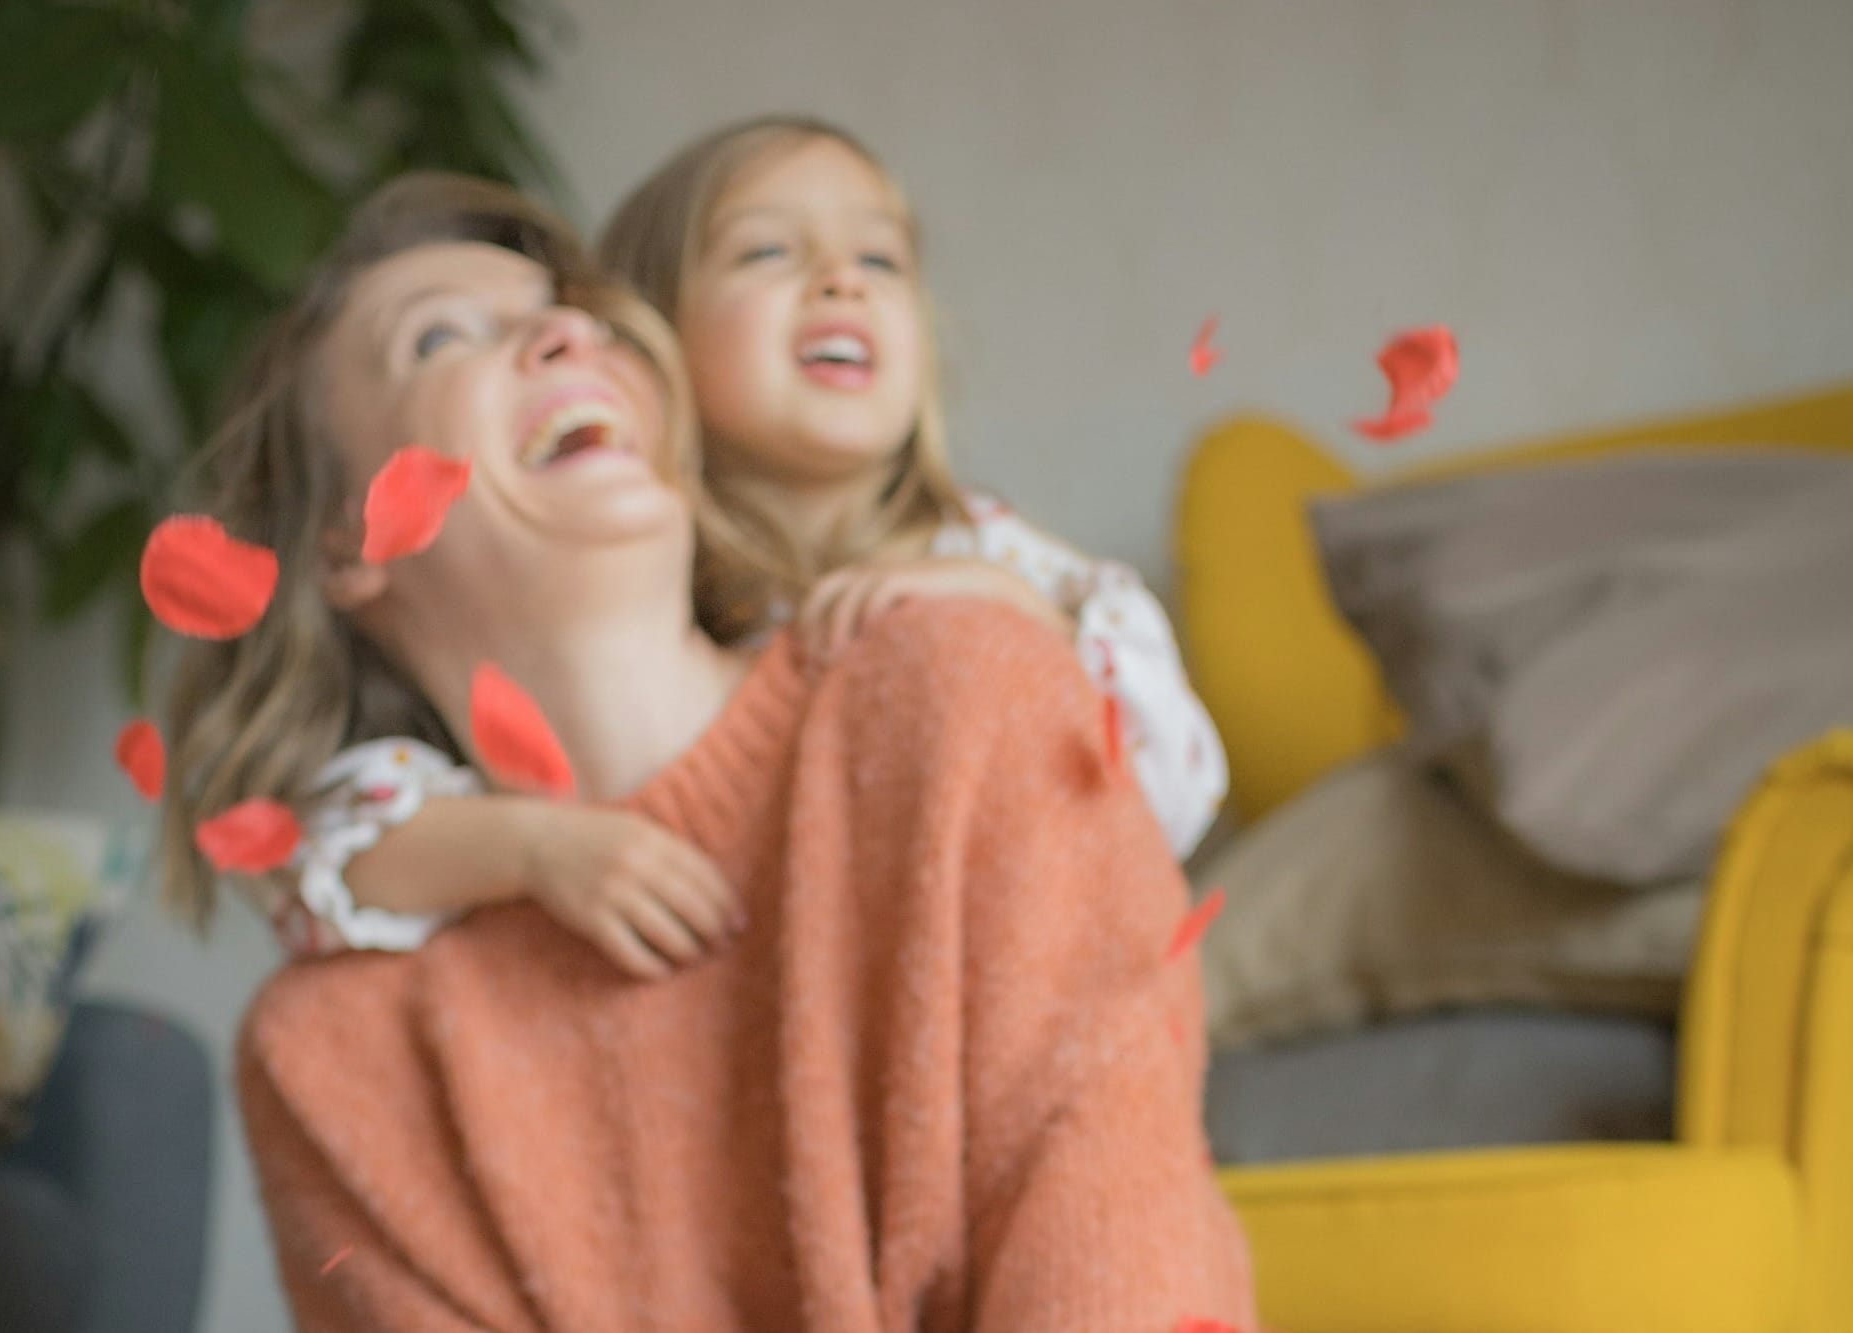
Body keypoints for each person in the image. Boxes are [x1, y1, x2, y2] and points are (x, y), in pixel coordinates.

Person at [163, 171, 1257, 1331]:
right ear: (344, 535)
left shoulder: (966, 686)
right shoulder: (332, 1053)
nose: (561, 329)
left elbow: (1108, 1240)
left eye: (569, 310)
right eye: (441, 335)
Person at [271, 116, 1229, 978]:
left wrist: (1013, 626)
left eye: (883, 261)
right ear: (647, 343)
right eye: (767, 251)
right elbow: (316, 850)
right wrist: (538, 848)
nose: (841, 278)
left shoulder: (985, 555)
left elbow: (1169, 804)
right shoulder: (647, 589)